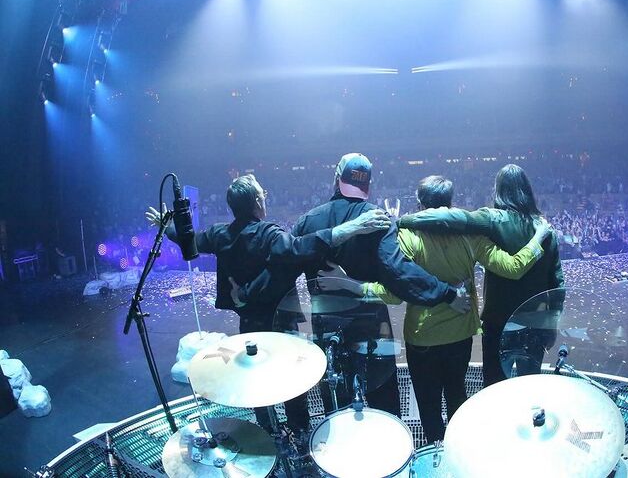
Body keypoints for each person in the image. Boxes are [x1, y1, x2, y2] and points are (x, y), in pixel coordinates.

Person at [145, 173, 391, 430]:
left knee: (255, 382)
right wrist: (355, 226)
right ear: (256, 202)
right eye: (263, 194)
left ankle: (266, 433)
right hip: (280, 325)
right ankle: (299, 431)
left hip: (249, 326)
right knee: (290, 384)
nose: (265, 198)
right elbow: (303, 246)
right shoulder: (270, 235)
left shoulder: (220, 234)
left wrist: (168, 227)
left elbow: (192, 240)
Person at [234, 154, 470, 422]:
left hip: (328, 330)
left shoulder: (309, 221)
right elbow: (400, 272)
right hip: (373, 331)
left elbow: (281, 271)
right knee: (385, 412)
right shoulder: (377, 220)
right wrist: (447, 294)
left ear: (336, 180)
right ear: (368, 185)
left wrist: (244, 294)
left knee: (337, 412)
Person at [330, 175, 552, 442]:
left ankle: (434, 451)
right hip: (460, 335)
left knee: (429, 407)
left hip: (422, 339)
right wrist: (538, 238)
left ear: (420, 203)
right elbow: (513, 267)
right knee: (458, 398)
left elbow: (394, 294)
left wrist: (357, 288)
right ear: (451, 201)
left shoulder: (407, 237)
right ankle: (458, 450)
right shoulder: (470, 236)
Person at [399, 164, 564, 387]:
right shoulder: (544, 229)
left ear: (498, 191)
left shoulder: (491, 219)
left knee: (494, 388)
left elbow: (447, 218)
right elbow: (557, 285)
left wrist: (404, 221)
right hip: (535, 324)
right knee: (530, 388)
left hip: (498, 323)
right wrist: (551, 325)